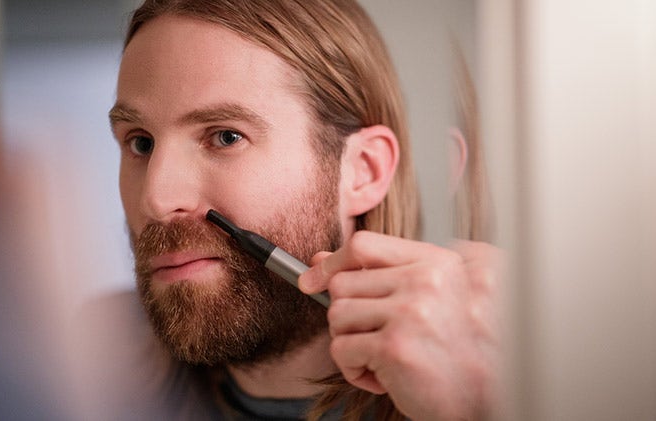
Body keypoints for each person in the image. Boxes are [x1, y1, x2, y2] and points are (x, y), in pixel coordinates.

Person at [90, 0, 502, 419]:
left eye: (226, 136)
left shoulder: (507, 381)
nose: (156, 200)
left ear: (364, 170)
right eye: (140, 142)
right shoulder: (93, 361)